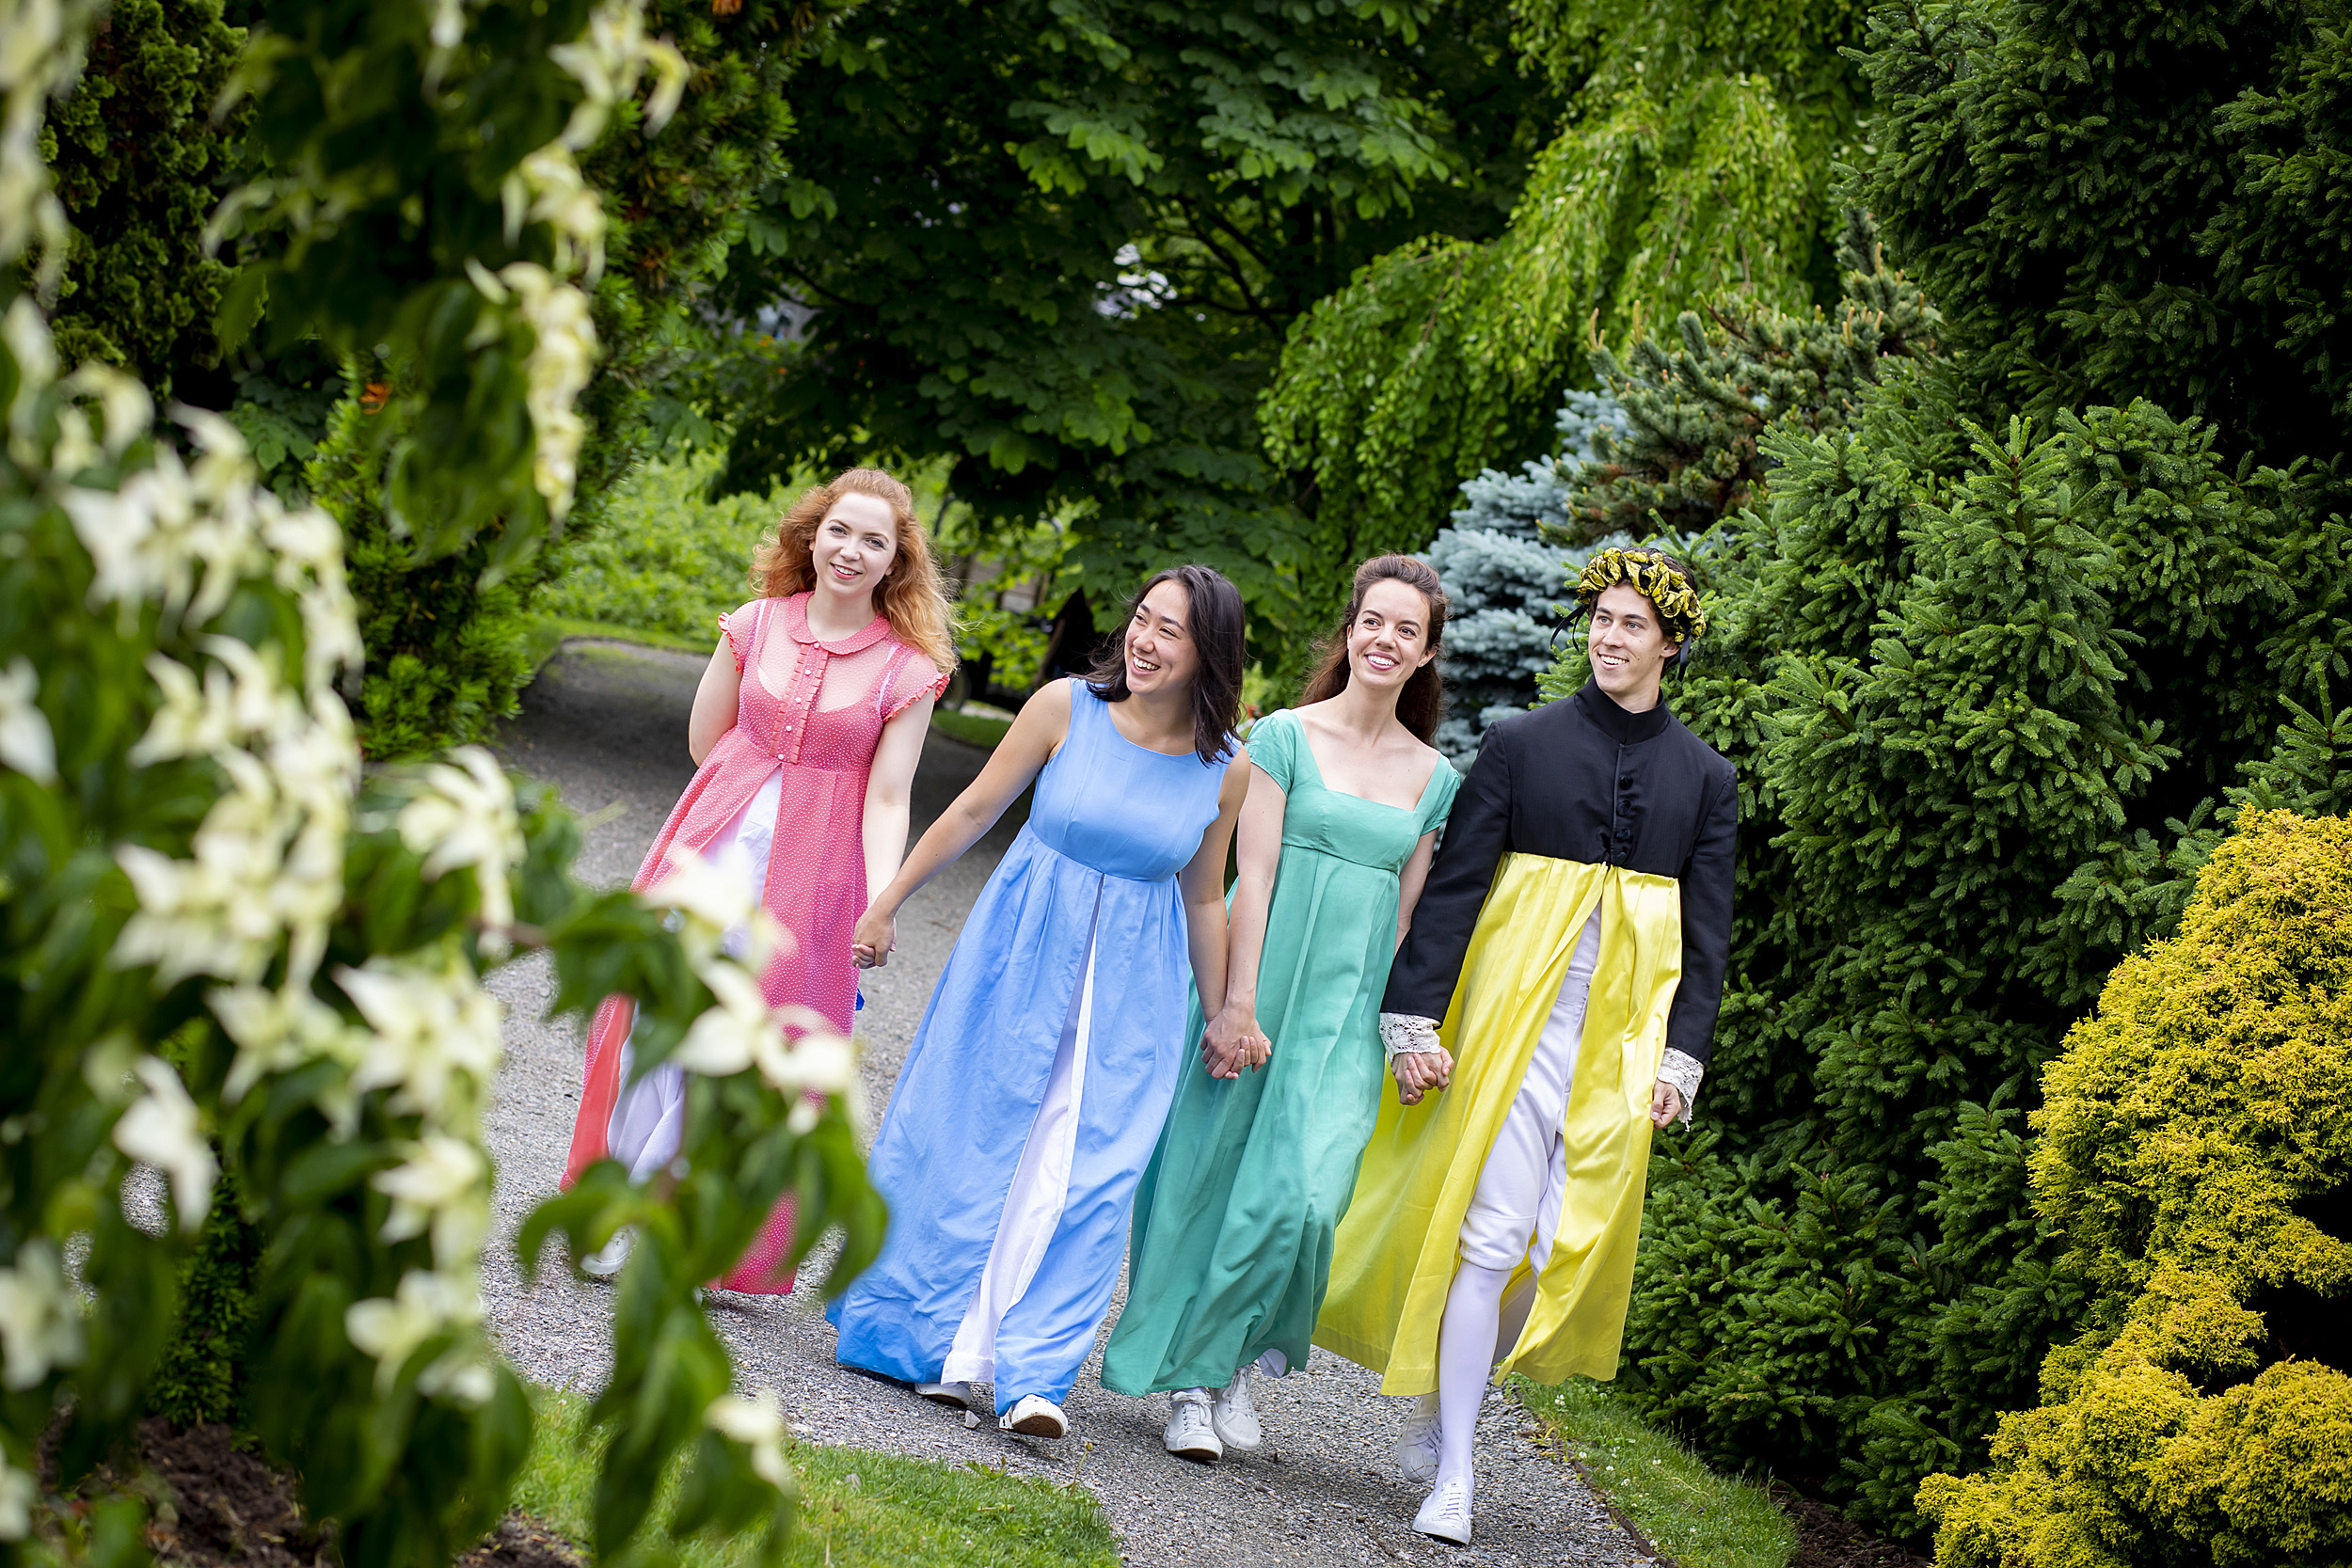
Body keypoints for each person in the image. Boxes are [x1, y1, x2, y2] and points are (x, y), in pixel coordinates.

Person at [1315, 546, 1737, 1545]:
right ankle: (1455, 1466)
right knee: (1493, 1235)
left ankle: (1439, 1414)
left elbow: (1709, 929)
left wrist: (1683, 1054)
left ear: (1668, 643)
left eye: (1632, 623)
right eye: (1600, 618)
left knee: (1552, 1247)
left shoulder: (1706, 779)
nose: (1608, 635)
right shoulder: (1521, 743)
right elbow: (1457, 886)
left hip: (1622, 1043)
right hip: (1517, 1027)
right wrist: (1413, 1013)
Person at [832, 565, 1252, 1439]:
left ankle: (1034, 1375)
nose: (1144, 639)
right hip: (1022, 950)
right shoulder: (1067, 707)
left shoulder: (1226, 768)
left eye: (1170, 630)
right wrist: (887, 901)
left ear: (1209, 651)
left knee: (1090, 1173)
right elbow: (975, 808)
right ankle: (941, 1346)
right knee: (972, 1131)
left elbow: (1205, 896)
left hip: (1134, 988)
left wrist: (1223, 1011)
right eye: (1141, 619)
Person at [1103, 556, 1463, 1464]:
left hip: (1343, 1021)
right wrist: (1236, 1002)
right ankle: (1192, 1380)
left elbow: (1410, 921)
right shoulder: (1284, 739)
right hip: (1256, 996)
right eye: (1373, 621)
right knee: (1208, 1183)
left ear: (1425, 656)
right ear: (1349, 632)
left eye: (1406, 630)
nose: (1385, 639)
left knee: (1304, 1203)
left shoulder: (1436, 778)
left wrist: (1404, 1034)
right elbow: (1248, 875)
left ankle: (1231, 1362)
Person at [563, 467, 954, 1292]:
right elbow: (710, 740)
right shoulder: (753, 623)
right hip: (710, 851)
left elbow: (888, 796)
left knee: (754, 1050)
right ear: (812, 536)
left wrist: (882, 898)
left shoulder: (908, 672)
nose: (852, 550)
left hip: (815, 880)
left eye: (874, 540)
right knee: (659, 1020)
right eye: (840, 530)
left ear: (896, 561)